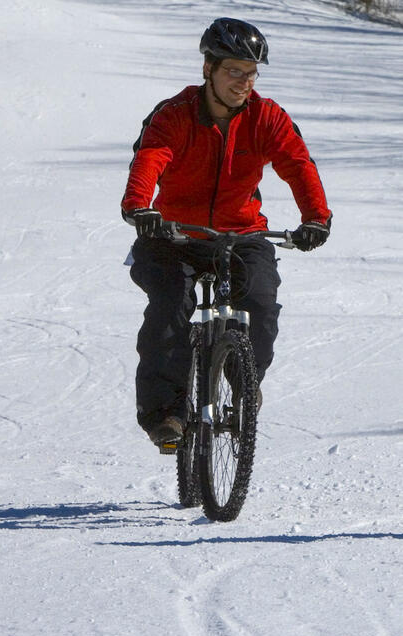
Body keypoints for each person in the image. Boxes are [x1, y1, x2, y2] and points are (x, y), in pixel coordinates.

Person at [121, 18, 331, 451]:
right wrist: (140, 208)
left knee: (259, 301)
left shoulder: (266, 116)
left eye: (251, 73)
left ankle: (243, 381)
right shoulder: (174, 114)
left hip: (240, 234)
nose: (243, 82)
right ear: (208, 69)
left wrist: (316, 218)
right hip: (172, 234)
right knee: (170, 304)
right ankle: (166, 414)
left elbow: (297, 164)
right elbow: (150, 158)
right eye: (234, 70)